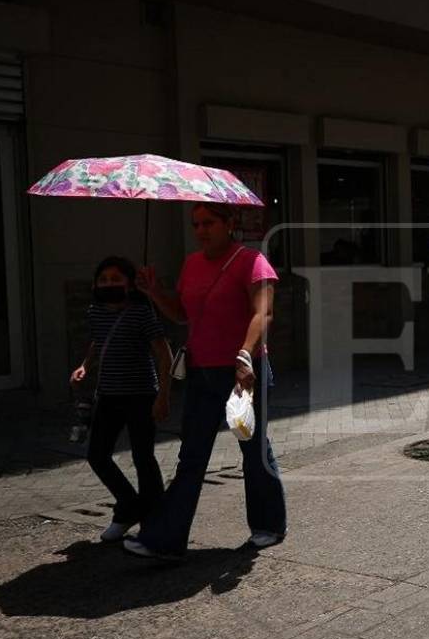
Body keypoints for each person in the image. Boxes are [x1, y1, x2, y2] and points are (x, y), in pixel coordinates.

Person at [126, 202, 285, 560]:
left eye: (209, 223)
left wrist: (245, 353)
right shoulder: (192, 264)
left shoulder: (251, 261)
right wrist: (154, 292)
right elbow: (182, 314)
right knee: (192, 457)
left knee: (254, 450)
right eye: (196, 224)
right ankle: (163, 539)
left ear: (229, 224)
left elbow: (264, 312)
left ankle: (269, 525)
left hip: (245, 371)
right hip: (201, 372)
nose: (201, 230)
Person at [71, 256, 171, 542]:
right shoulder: (95, 312)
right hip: (108, 396)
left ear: (129, 283)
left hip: (141, 395)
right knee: (97, 455)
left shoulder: (142, 312)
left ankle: (156, 519)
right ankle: (129, 507)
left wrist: (163, 396)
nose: (109, 284)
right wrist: (85, 366)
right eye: (103, 279)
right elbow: (98, 341)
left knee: (143, 458)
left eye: (116, 279)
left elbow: (163, 353)